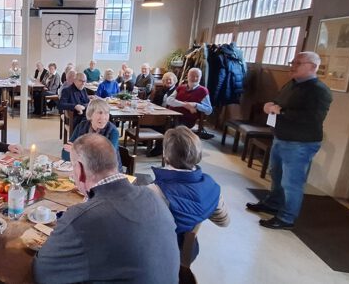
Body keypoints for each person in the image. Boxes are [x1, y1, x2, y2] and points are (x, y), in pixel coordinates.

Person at [33, 134, 179, 283]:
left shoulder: (81, 218)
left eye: (72, 167)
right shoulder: (153, 196)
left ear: (80, 170)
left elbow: (45, 272)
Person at [246, 52, 332, 230]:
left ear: (313, 67)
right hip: (281, 136)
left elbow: (313, 118)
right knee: (275, 174)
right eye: (292, 61)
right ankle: (273, 204)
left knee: (291, 182)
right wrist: (270, 105)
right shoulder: (292, 84)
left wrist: (281, 112)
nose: (292, 65)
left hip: (300, 142)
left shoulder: (319, 91)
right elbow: (279, 102)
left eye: (298, 63)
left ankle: (286, 217)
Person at [148, 126, 229, 262]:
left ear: (166, 154)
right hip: (188, 250)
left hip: (159, 253)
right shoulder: (211, 186)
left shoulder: (155, 191)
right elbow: (224, 222)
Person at [61, 99, 121, 171]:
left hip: (108, 172)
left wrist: (78, 151)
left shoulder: (113, 132)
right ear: (90, 114)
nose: (104, 118)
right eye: (100, 113)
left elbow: (107, 160)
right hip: (87, 170)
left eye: (106, 113)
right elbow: (65, 153)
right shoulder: (81, 126)